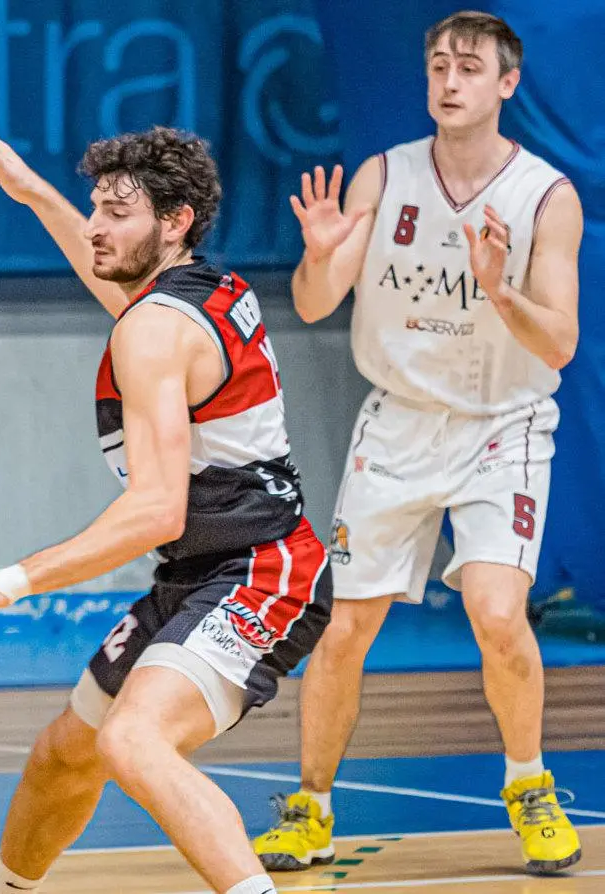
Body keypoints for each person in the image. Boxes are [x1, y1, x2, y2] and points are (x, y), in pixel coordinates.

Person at [0, 123, 333, 894]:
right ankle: (3, 887)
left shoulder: (154, 330)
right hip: (204, 570)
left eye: (116, 212)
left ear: (174, 222)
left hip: (262, 572)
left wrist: (12, 579)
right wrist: (32, 188)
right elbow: (111, 277)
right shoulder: (192, 288)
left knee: (134, 741)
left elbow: (155, 513)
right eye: (94, 207)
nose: (97, 227)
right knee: (66, 749)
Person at [251, 10, 584, 876]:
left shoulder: (546, 195)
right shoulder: (382, 176)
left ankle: (530, 785)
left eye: (469, 67)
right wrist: (321, 256)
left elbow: (560, 343)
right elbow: (318, 302)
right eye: (438, 64)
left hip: (501, 427)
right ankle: (311, 807)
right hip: (399, 422)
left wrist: (498, 292)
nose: (449, 80)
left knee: (498, 614)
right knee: (345, 627)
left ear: (507, 84)